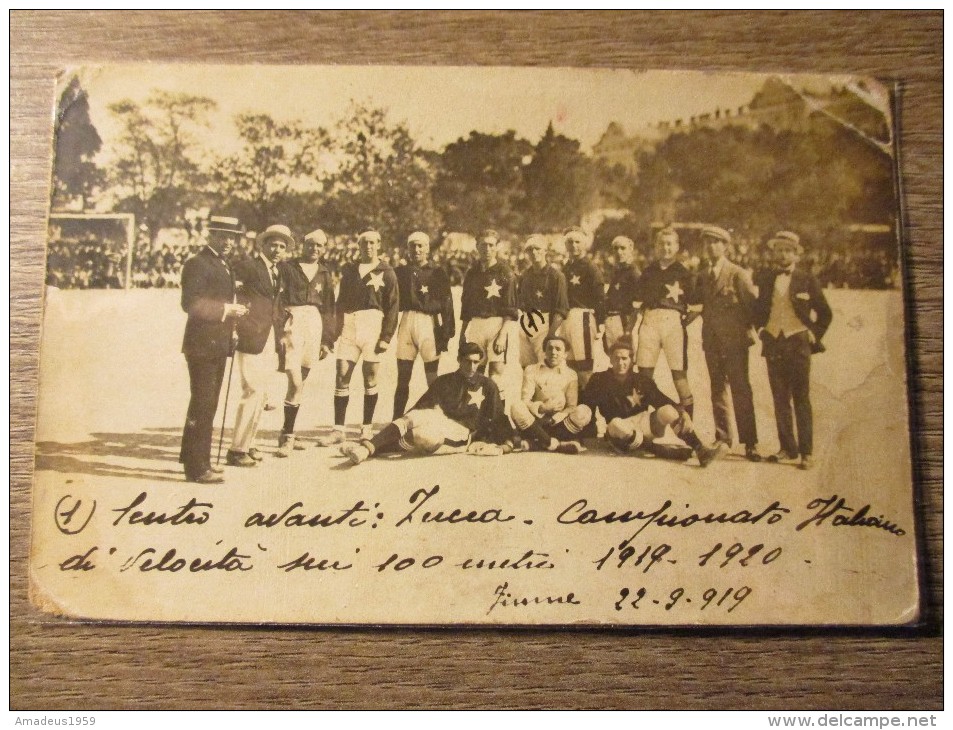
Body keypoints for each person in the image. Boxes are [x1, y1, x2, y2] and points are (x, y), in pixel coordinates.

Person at [340, 342, 514, 465]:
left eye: (476, 362)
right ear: (459, 360)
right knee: (413, 417)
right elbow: (420, 406)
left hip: (462, 433)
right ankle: (366, 449)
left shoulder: (488, 385)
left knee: (420, 435)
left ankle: (368, 447)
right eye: (467, 361)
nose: (472, 366)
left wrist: (507, 444)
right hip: (441, 420)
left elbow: (499, 416)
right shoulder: (445, 380)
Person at [753, 230, 832, 470]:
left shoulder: (807, 279)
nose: (783, 254)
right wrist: (761, 329)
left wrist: (813, 333)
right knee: (779, 399)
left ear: (796, 254)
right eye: (779, 249)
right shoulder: (766, 277)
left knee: (801, 398)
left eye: (788, 250)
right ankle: (787, 448)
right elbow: (758, 307)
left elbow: (825, 313)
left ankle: (806, 452)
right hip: (774, 342)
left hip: (798, 343)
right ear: (773, 252)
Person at [179, 215, 248, 483]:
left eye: (232, 237)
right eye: (222, 236)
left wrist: (231, 327)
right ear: (210, 236)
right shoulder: (197, 264)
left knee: (208, 404)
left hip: (218, 342)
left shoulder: (223, 264)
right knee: (203, 403)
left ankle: (197, 459)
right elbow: (190, 303)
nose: (229, 242)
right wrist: (225, 310)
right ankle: (197, 468)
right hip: (201, 345)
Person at [581, 340, 726, 467]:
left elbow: (662, 401)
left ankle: (700, 449)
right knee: (616, 423)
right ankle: (661, 451)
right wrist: (588, 434)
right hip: (618, 431)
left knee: (669, 411)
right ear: (610, 359)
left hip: (642, 425)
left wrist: (683, 414)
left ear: (632, 360)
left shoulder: (642, 380)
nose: (621, 363)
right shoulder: (599, 379)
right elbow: (587, 405)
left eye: (625, 358)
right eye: (616, 358)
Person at [317, 228, 399, 446]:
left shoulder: (387, 272)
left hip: (373, 325)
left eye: (372, 243)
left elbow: (392, 307)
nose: (368, 247)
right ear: (359, 246)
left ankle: (366, 428)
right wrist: (331, 335)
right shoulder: (350, 270)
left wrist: (386, 337)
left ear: (379, 245)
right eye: (364, 243)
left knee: (370, 377)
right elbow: (340, 302)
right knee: (342, 374)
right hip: (350, 324)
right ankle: (338, 430)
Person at [225, 224, 291, 466]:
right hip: (250, 337)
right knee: (252, 390)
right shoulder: (249, 266)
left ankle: (249, 443)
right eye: (273, 244)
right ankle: (236, 450)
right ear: (263, 245)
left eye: (282, 246)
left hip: (269, 338)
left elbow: (277, 304)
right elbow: (235, 297)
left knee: (261, 393)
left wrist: (281, 329)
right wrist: (234, 329)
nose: (277, 250)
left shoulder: (279, 271)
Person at [697, 225, 762, 462]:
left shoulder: (737, 274)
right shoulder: (703, 276)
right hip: (712, 342)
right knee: (717, 390)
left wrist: (749, 332)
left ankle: (750, 442)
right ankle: (723, 437)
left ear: (725, 246)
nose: (711, 247)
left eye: (716, 242)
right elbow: (697, 303)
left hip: (735, 343)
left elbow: (752, 307)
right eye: (707, 243)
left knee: (741, 390)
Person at [275, 228, 336, 456]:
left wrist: (327, 340)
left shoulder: (325, 273)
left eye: (320, 245)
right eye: (311, 244)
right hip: (293, 320)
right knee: (295, 381)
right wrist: (280, 326)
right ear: (303, 245)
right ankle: (287, 437)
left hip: (314, 323)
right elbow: (277, 299)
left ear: (324, 249)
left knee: (302, 380)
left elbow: (330, 308)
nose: (315, 249)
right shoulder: (288, 268)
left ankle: (286, 431)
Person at [634, 227, 698, 418]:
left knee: (678, 373)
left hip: (673, 323)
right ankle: (641, 420)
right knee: (644, 373)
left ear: (677, 246)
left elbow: (696, 307)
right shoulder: (648, 271)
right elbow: (637, 302)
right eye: (661, 243)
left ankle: (688, 423)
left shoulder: (684, 273)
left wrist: (681, 323)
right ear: (655, 246)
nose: (665, 248)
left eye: (670, 244)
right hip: (650, 321)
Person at [392, 231, 455, 418]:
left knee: (432, 377)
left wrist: (447, 331)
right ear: (407, 249)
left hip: (429, 322)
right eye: (413, 246)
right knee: (403, 377)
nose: (417, 250)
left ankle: (438, 417)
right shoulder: (400, 272)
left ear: (427, 248)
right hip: (407, 320)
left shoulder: (437, 272)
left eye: (421, 246)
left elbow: (447, 302)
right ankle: (395, 420)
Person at [459, 229, 518, 399]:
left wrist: (502, 335)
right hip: (476, 324)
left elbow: (511, 307)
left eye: (491, 245)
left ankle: (497, 415)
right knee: (473, 370)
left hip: (497, 324)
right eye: (483, 245)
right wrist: (463, 332)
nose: (487, 248)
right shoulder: (472, 273)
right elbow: (466, 305)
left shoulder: (505, 272)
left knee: (496, 371)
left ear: (497, 247)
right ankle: (475, 415)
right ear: (477, 246)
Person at [510, 336, 591, 454]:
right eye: (550, 348)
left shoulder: (571, 374)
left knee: (584, 411)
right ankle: (554, 444)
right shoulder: (531, 370)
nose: (553, 352)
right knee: (516, 407)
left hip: (559, 424)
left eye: (558, 349)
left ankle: (537, 443)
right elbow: (525, 400)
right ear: (544, 351)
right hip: (536, 423)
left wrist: (554, 419)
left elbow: (571, 406)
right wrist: (543, 408)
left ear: (565, 354)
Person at [560, 226, 606, 389]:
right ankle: (576, 407)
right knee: (570, 367)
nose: (574, 246)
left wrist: (600, 322)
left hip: (583, 318)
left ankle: (590, 409)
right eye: (570, 242)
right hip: (567, 319)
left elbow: (600, 298)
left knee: (585, 368)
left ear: (584, 244)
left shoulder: (591, 267)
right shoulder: (566, 267)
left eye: (578, 242)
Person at [516, 234, 568, 368]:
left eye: (538, 248)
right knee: (527, 366)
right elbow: (520, 301)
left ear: (545, 251)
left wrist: (551, 334)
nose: (534, 252)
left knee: (545, 365)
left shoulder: (556, 276)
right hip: (527, 321)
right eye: (530, 249)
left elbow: (561, 309)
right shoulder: (525, 275)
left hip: (545, 322)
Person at [604, 235, 642, 355]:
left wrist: (629, 329)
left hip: (625, 321)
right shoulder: (617, 271)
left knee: (625, 357)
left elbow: (638, 305)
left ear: (631, 250)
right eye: (615, 248)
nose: (619, 252)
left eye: (623, 248)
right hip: (612, 320)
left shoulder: (634, 273)